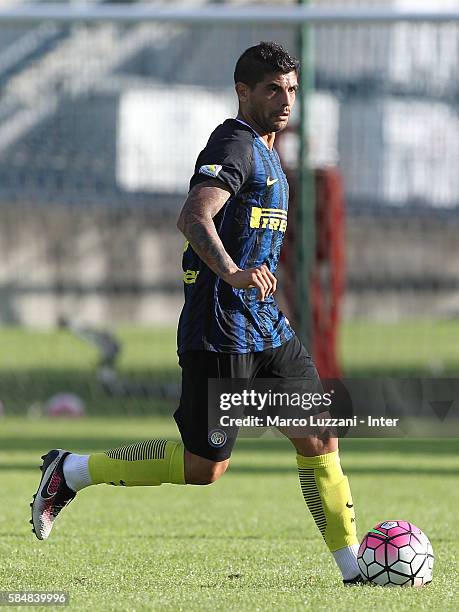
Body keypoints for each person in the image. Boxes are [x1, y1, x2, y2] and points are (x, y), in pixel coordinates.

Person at [30, 42, 362, 585]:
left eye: (292, 90)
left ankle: (355, 572)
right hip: (220, 331)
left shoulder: (270, 150)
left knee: (320, 436)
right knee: (203, 468)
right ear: (243, 92)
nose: (285, 101)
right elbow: (193, 215)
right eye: (272, 90)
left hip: (267, 327)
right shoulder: (234, 143)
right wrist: (231, 271)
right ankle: (69, 471)